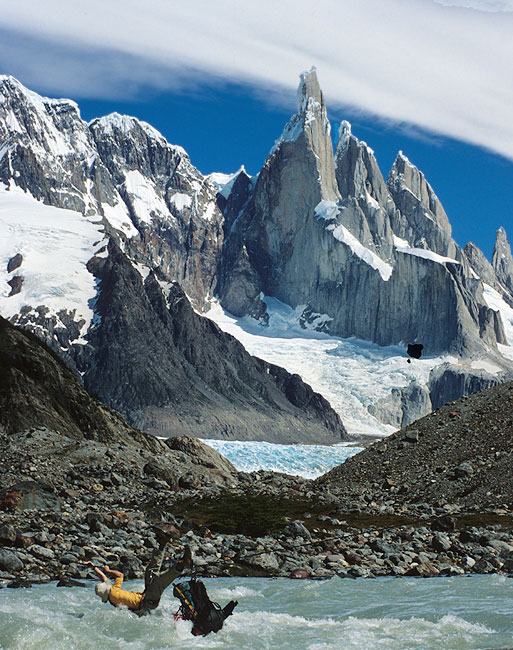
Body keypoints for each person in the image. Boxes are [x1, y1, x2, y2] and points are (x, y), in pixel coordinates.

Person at [87, 528, 192, 615]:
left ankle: (162, 544)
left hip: (147, 600)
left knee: (150, 571)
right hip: (147, 600)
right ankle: (182, 565)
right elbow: (120, 575)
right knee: (158, 582)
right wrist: (108, 570)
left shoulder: (112, 599)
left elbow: (104, 579)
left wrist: (93, 567)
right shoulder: (114, 592)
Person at [173, 577, 238, 636]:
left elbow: (225, 612)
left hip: (215, 617)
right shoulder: (210, 622)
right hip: (214, 619)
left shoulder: (206, 621)